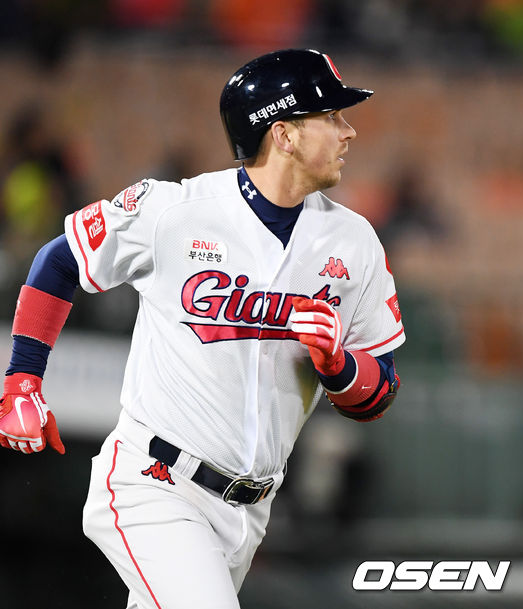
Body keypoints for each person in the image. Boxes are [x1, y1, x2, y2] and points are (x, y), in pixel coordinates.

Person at [0, 49, 405, 609]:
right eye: (331, 116)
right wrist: (23, 380)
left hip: (250, 509)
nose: (348, 130)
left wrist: (339, 367)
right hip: (155, 482)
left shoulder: (354, 242)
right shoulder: (174, 209)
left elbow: (379, 392)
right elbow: (59, 259)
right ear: (284, 134)